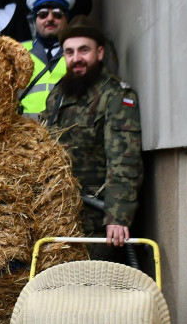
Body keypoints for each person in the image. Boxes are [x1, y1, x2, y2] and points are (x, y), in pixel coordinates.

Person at [40, 16, 143, 252]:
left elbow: (124, 160)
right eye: (69, 52)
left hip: (98, 223)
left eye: (83, 50)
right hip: (58, 217)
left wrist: (118, 216)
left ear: (99, 53)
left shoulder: (115, 96)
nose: (76, 58)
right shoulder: (57, 96)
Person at [18, 0, 75, 118]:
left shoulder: (77, 53)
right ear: (34, 20)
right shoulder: (18, 52)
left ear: (67, 19)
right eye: (43, 14)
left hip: (67, 130)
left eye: (57, 14)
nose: (50, 19)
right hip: (26, 130)